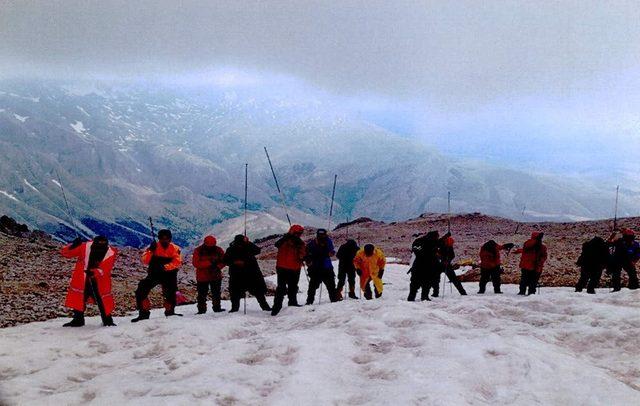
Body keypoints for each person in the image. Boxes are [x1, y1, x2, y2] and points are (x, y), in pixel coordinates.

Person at [61, 236, 117, 327]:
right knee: (79, 298)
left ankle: (108, 321)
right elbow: (66, 253)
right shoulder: (84, 246)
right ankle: (78, 320)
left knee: (102, 300)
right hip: (83, 279)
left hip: (99, 280)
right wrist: (73, 246)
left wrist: (94, 272)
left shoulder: (110, 252)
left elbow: (106, 267)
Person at [131, 229, 183, 322]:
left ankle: (170, 312)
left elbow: (177, 262)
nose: (164, 240)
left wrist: (165, 267)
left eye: (167, 238)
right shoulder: (153, 247)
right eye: (162, 238)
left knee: (171, 293)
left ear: (170, 239)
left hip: (169, 275)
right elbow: (145, 260)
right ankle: (143, 313)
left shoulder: (175, 248)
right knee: (141, 290)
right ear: (159, 238)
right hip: (154, 274)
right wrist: (151, 251)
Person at [224, 234, 271, 312]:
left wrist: (248, 243)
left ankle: (265, 307)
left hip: (247, 274)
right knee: (236, 293)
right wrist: (235, 262)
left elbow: (257, 250)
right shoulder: (231, 249)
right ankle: (235, 308)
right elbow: (225, 260)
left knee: (257, 292)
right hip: (243, 274)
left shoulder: (246, 247)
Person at [271, 225, 307, 316]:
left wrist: (288, 237)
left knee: (283, 288)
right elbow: (302, 254)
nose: (299, 235)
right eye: (299, 233)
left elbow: (277, 244)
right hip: (292, 268)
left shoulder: (285, 240)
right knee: (291, 287)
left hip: (282, 267)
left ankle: (277, 307)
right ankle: (291, 303)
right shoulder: (298, 242)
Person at [192, 235, 226, 314]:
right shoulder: (198, 250)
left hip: (214, 275)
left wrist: (218, 266)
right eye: (209, 246)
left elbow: (224, 260)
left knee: (216, 293)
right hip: (203, 276)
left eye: (212, 245)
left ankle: (216, 308)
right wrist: (210, 263)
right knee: (202, 294)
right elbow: (196, 263)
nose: (210, 247)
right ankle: (202, 310)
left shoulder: (218, 250)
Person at [305, 229, 338, 304]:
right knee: (328, 286)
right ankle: (334, 300)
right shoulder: (325, 241)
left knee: (314, 286)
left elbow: (331, 252)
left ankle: (309, 302)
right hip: (322, 267)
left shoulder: (313, 243)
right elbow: (331, 253)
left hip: (319, 268)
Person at [407, 230, 440, 301]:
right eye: (437, 236)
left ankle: (422, 297)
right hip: (420, 266)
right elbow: (416, 250)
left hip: (425, 267)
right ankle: (413, 298)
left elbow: (439, 243)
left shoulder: (432, 242)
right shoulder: (420, 241)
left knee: (426, 283)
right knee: (416, 283)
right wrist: (429, 254)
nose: (437, 238)